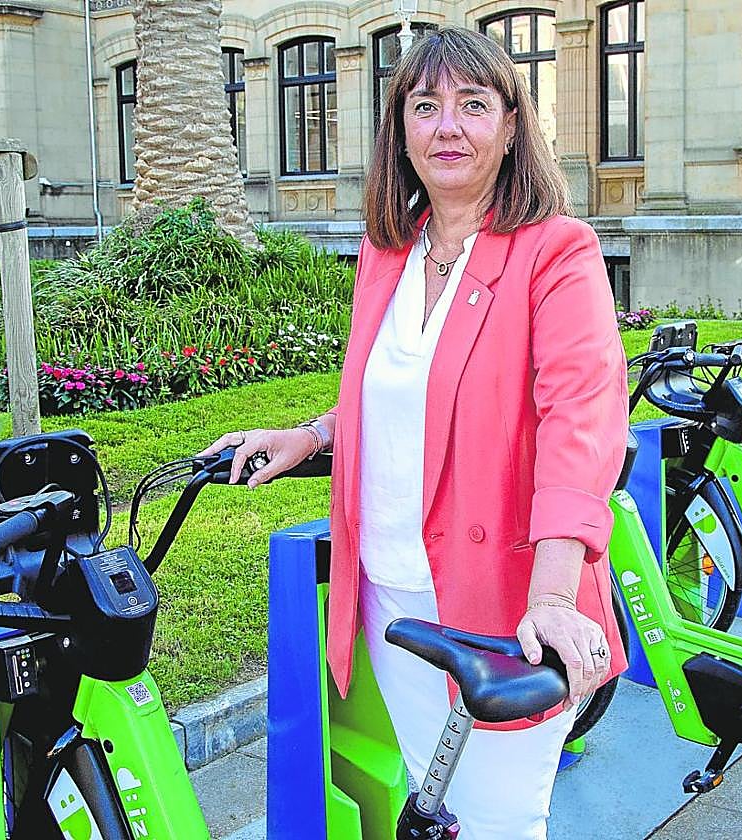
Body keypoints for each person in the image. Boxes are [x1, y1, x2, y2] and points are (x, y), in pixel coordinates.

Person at [199, 27, 629, 840]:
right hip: (390, 592)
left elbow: (583, 421)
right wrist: (315, 435)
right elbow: (399, 394)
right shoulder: (387, 252)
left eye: (473, 105)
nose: (448, 127)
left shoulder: (555, 254)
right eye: (425, 107)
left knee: (501, 819)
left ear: (511, 126)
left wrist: (550, 594)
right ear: (401, 132)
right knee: (447, 811)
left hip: (503, 600)